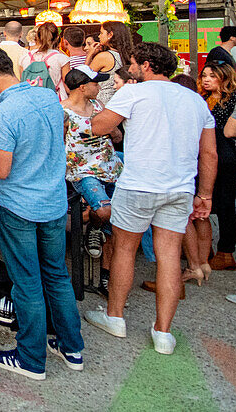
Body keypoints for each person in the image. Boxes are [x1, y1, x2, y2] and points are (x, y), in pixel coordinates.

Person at [85, 42, 217, 355]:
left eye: (132, 62)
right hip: (180, 188)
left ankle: (115, 316)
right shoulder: (196, 100)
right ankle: (163, 333)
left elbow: (98, 126)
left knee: (124, 250)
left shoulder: (133, 92)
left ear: (145, 65)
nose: (129, 67)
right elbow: (209, 153)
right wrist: (205, 194)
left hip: (138, 185)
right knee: (170, 256)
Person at [0, 48, 85, 380]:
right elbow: (61, 135)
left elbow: (1, 169)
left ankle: (31, 357)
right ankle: (71, 346)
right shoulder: (49, 98)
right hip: (52, 201)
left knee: (27, 282)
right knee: (56, 275)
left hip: (18, 205)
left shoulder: (3, 114)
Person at [60, 66, 122, 295]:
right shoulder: (63, 111)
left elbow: (117, 135)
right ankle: (94, 227)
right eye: (96, 83)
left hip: (110, 166)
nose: (100, 86)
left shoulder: (98, 106)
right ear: (82, 87)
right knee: (105, 212)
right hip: (83, 171)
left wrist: (111, 129)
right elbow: (57, 141)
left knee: (115, 225)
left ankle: (106, 278)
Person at [195, 62, 236, 271]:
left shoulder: (234, 99)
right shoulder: (202, 97)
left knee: (225, 204)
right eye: (204, 75)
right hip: (206, 155)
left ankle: (226, 252)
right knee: (204, 201)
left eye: (212, 76)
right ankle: (205, 249)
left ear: (223, 78)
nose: (206, 79)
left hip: (226, 156)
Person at [86, 21, 134, 104]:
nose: (99, 36)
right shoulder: (127, 55)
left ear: (110, 35)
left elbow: (84, 76)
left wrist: (90, 54)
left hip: (104, 100)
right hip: (122, 99)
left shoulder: (104, 56)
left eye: (101, 33)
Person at [19, 22, 68, 97]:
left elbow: (22, 83)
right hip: (55, 100)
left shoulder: (24, 58)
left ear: (37, 37)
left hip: (32, 101)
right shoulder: (61, 58)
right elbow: (67, 86)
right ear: (57, 38)